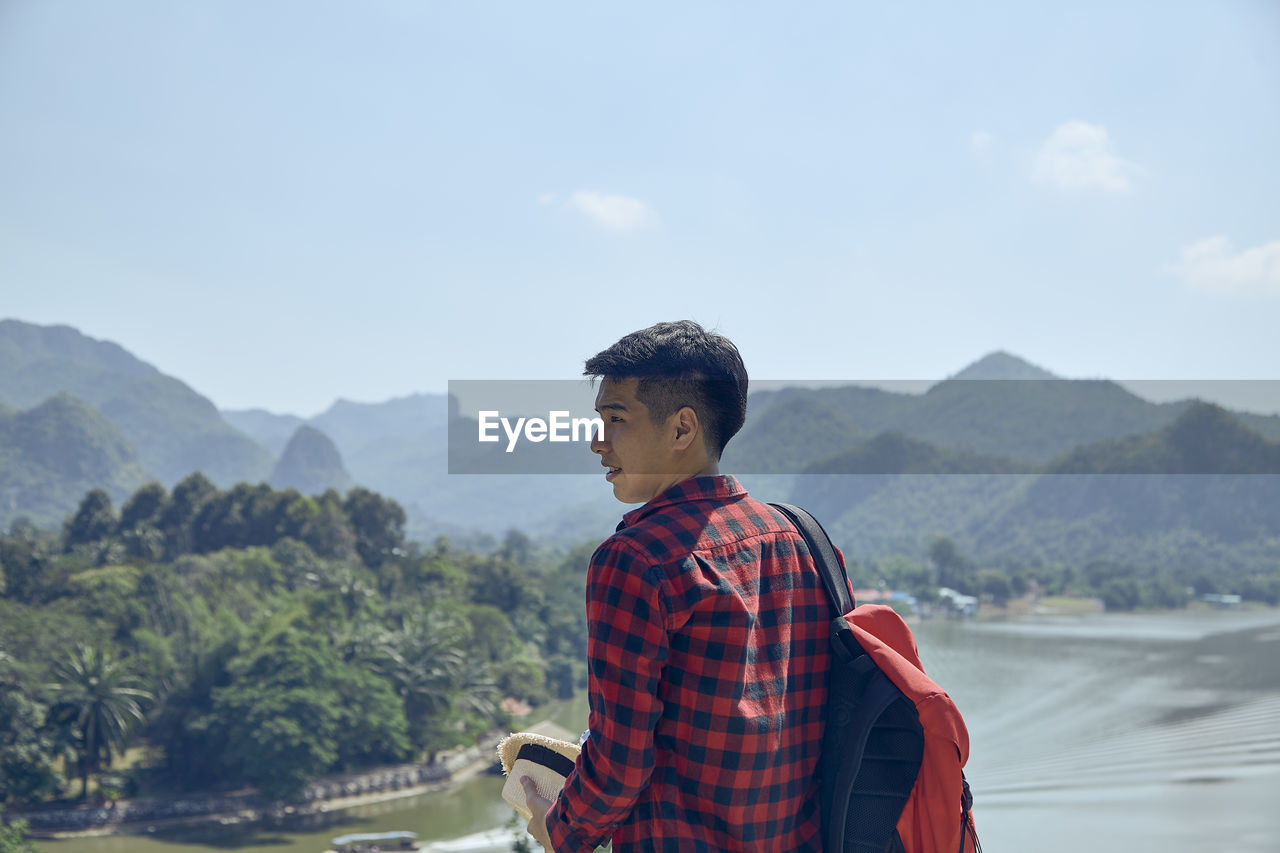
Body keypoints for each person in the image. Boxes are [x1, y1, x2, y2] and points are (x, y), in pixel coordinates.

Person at [520, 320, 836, 852]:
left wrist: (557, 829)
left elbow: (621, 760)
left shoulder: (635, 560)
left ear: (682, 430)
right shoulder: (800, 536)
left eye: (615, 419)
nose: (598, 443)